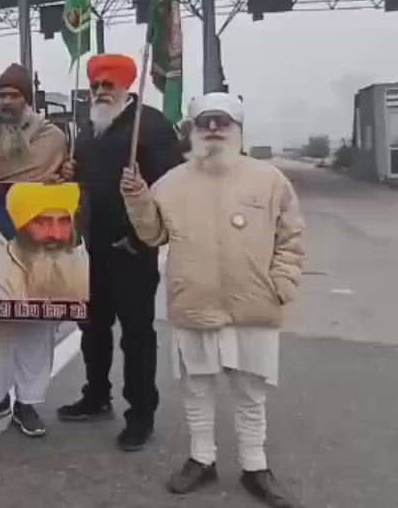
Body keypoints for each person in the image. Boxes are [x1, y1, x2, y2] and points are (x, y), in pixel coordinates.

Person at [121, 93, 304, 508]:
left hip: (254, 305)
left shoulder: (269, 180)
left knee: (250, 393)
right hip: (195, 302)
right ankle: (201, 459)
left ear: (238, 128)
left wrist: (282, 284)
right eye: (206, 121)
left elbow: (291, 237)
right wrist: (138, 199)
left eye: (223, 120)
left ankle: (255, 466)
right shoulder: (171, 183)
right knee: (197, 389)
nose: (215, 128)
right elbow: (152, 234)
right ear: (193, 130)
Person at [57, 54, 183, 452]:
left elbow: (171, 186)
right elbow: (83, 182)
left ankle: (141, 414)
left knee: (136, 336)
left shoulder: (151, 126)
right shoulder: (88, 129)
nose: (99, 91)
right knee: (92, 329)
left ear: (126, 86)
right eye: (95, 85)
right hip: (91, 249)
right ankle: (96, 395)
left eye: (107, 85)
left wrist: (141, 237)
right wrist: (69, 175)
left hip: (132, 250)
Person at [0, 63, 71, 439]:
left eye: (14, 95)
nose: (7, 102)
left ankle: (28, 402)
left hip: (43, 239)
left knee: (36, 324)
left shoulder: (53, 138)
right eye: (2, 95)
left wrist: (66, 176)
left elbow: (65, 181)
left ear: (27, 100)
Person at [0, 182, 88, 302]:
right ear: (22, 227)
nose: (56, 234)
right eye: (43, 223)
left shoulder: (83, 265)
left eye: (64, 221)